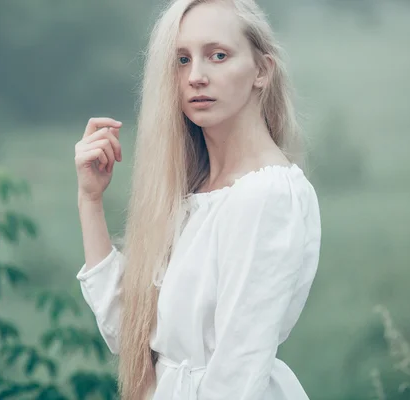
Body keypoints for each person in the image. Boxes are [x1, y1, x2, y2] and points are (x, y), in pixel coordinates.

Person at [73, 0, 322, 398]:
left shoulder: (267, 195)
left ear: (262, 70)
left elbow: (238, 371)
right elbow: (134, 336)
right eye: (182, 60)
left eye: (217, 55)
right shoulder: (192, 189)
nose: (196, 77)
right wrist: (90, 201)